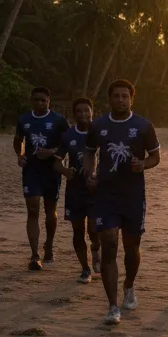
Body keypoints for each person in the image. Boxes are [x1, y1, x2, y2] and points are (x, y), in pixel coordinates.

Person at [83, 79, 161, 325]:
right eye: (116, 96)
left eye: (125, 96)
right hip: (105, 195)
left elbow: (155, 156)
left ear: (132, 99)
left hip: (133, 196)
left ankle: (129, 285)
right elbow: (88, 151)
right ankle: (112, 306)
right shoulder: (98, 125)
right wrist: (90, 174)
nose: (120, 100)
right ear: (110, 99)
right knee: (109, 244)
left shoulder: (143, 126)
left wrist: (143, 164)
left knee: (131, 248)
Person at [13, 87, 69, 271]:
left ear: (49, 101)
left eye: (43, 100)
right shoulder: (23, 120)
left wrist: (52, 152)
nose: (40, 103)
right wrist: (20, 155)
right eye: (36, 100)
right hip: (31, 171)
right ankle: (34, 255)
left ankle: (49, 244)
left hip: (52, 171)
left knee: (50, 210)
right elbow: (18, 141)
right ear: (31, 100)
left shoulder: (59, 121)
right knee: (33, 209)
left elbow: (67, 144)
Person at [53, 96, 100, 283]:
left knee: (94, 229)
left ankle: (96, 249)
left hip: (96, 190)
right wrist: (65, 171)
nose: (83, 114)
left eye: (86, 111)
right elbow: (56, 162)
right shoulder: (68, 136)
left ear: (92, 113)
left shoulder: (101, 133)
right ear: (74, 115)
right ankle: (85, 268)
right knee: (78, 230)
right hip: (75, 190)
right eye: (79, 111)